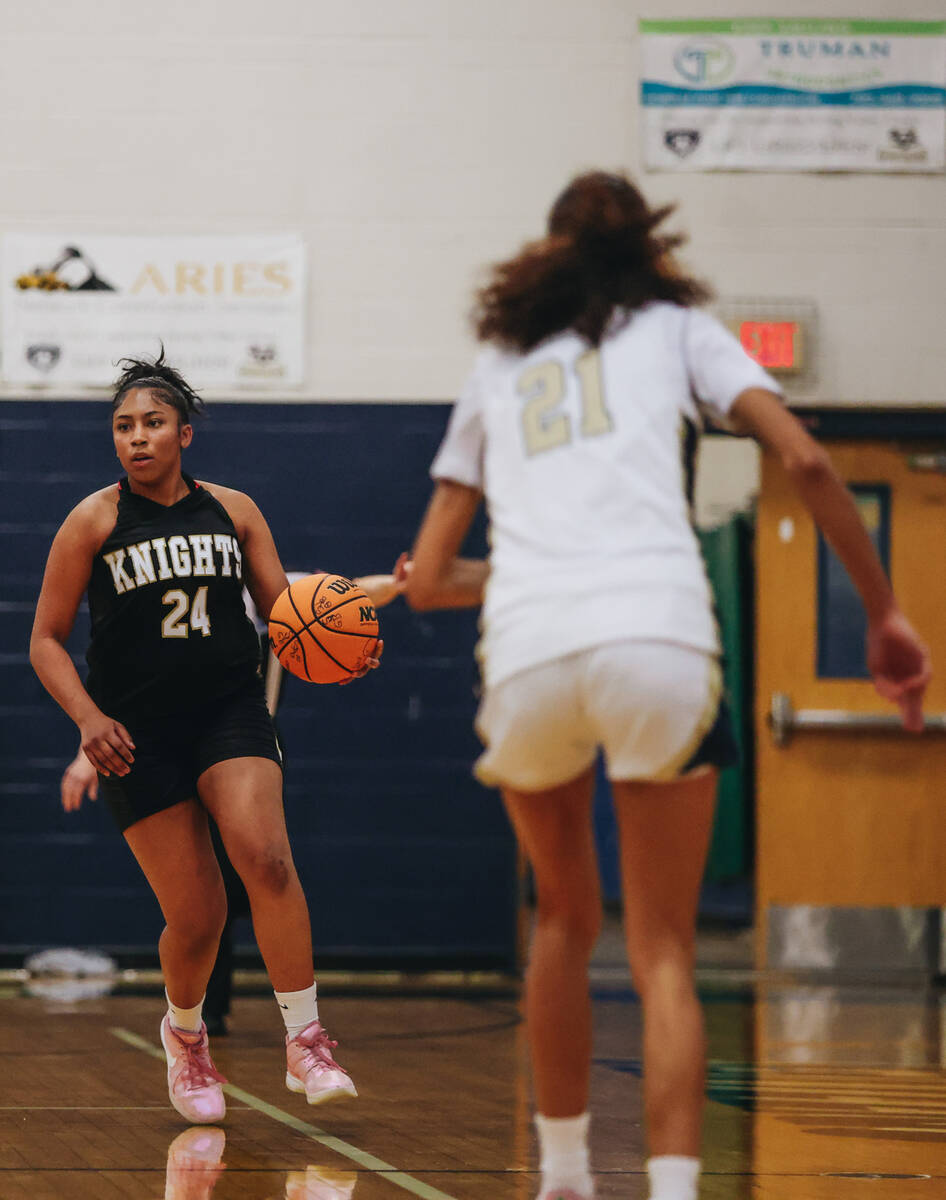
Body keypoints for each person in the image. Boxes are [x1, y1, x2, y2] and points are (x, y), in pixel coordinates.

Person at [400, 171, 931, 1200]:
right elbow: (810, 463)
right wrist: (881, 612)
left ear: (546, 253)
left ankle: (560, 1178)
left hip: (529, 644)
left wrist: (524, 575)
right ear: (647, 245)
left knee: (560, 917)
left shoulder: (499, 359)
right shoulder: (679, 329)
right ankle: (675, 1189)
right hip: (657, 635)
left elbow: (426, 581)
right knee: (664, 953)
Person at [31, 351, 403, 1125]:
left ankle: (306, 1039)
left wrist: (349, 644)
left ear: (185, 434)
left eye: (153, 423)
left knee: (265, 858)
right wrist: (88, 721)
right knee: (197, 915)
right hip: (138, 732)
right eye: (124, 426)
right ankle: (186, 1036)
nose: (137, 438)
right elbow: (44, 639)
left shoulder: (234, 511)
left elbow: (290, 611)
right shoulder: (93, 520)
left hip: (228, 711)